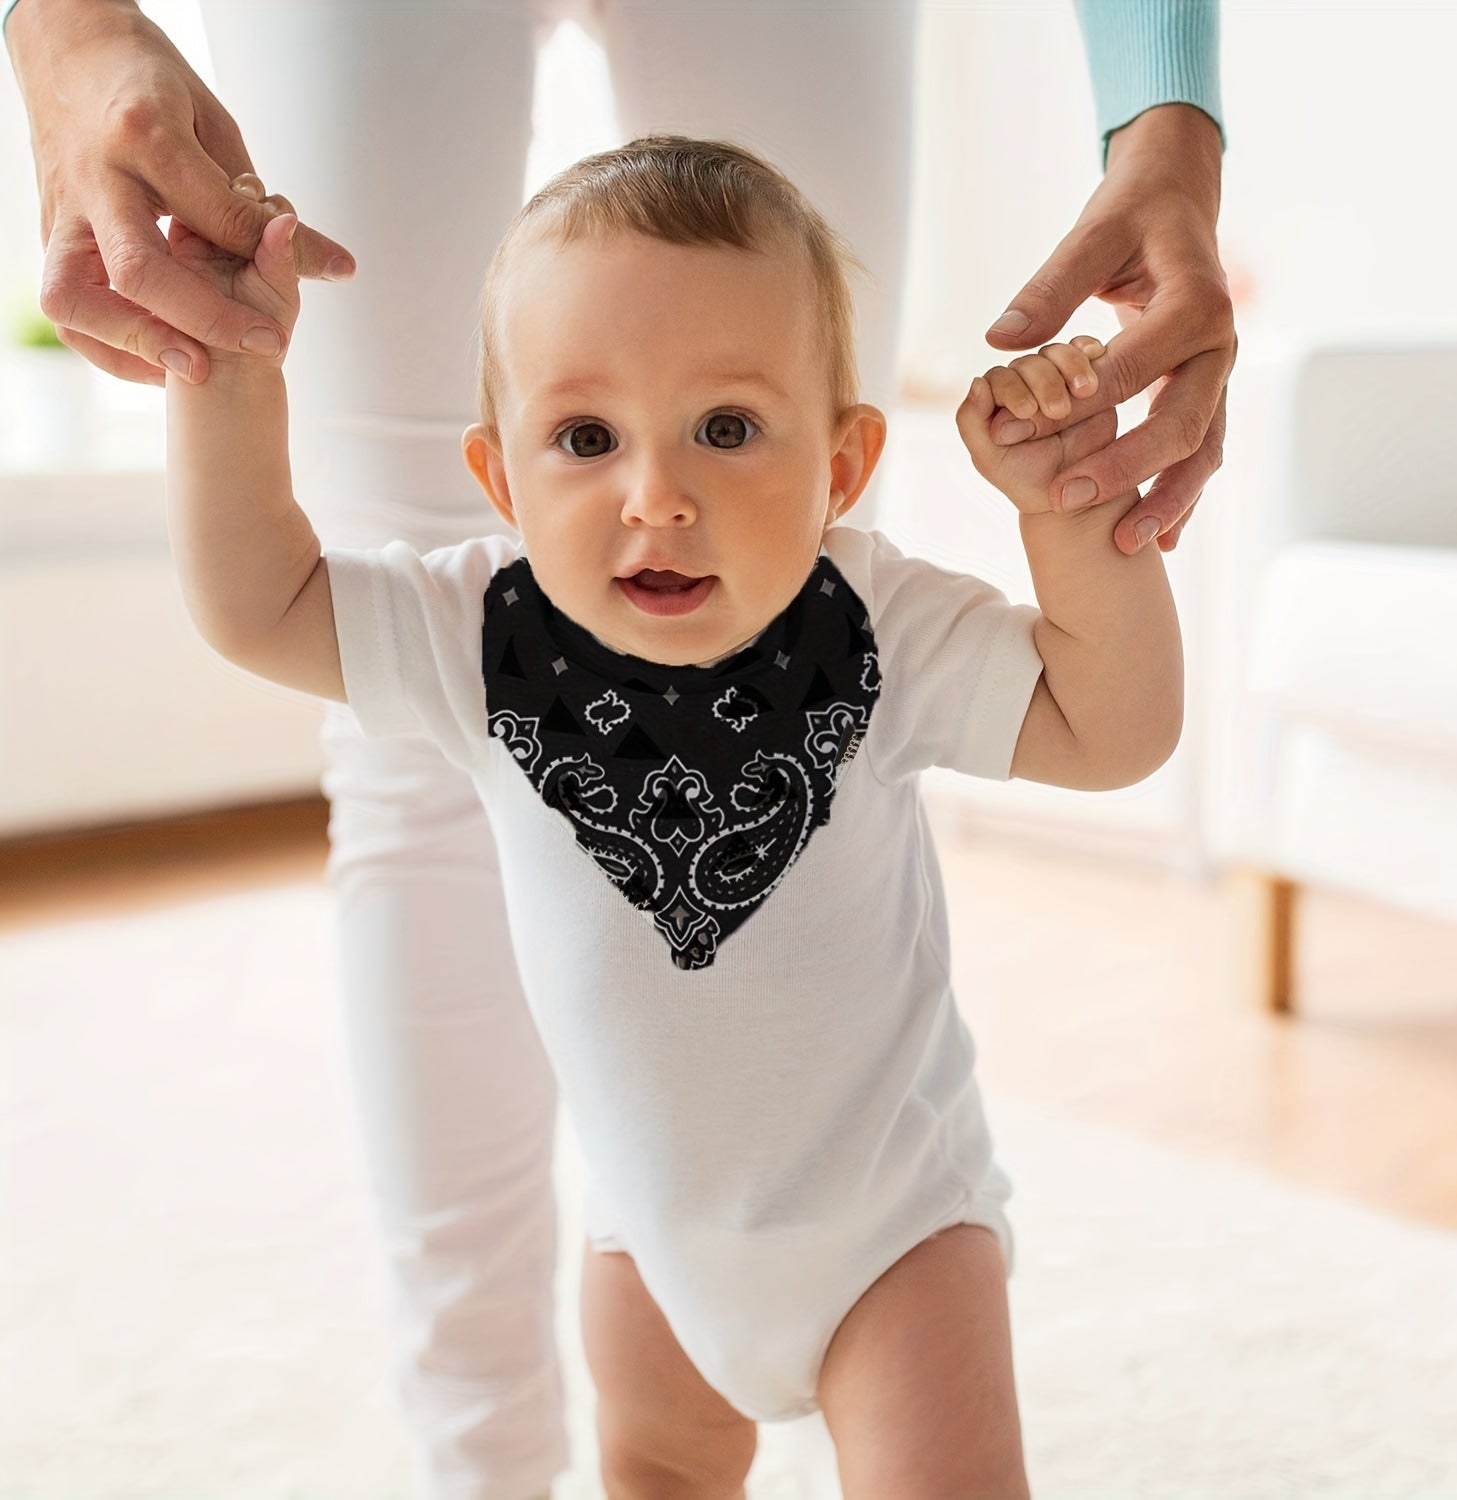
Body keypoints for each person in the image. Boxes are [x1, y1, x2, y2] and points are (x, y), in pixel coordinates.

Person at [5, 4, 1230, 1495]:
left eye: (727, 427)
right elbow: (257, 603)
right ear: (498, 479)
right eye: (585, 440)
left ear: (842, 461)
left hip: (894, 1243)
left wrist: (1072, 525)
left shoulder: (876, 621)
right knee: (649, 1467)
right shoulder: (481, 634)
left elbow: (1118, 731)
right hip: (647, 1243)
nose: (657, 495)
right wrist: (235, 378)